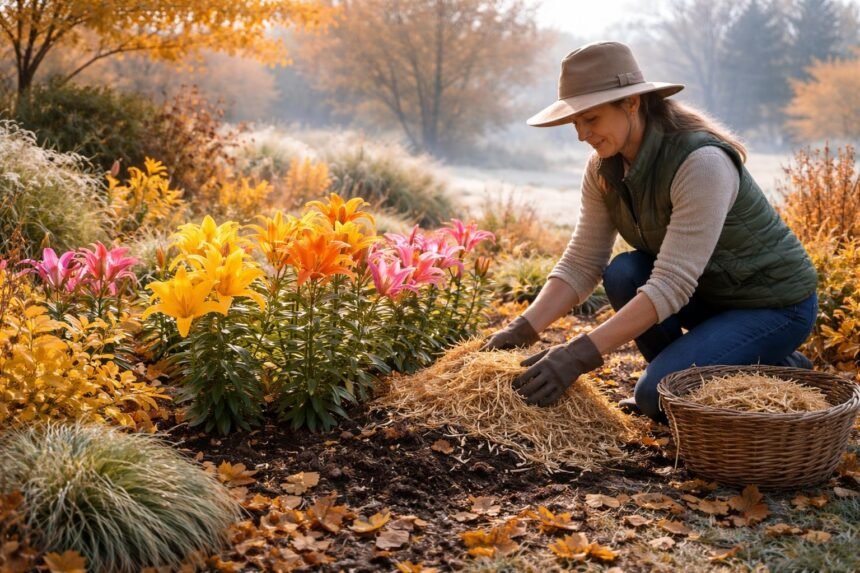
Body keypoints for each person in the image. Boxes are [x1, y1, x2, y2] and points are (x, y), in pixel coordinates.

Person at [481, 41, 818, 422]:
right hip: (708, 296)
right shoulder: (603, 169)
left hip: (771, 306)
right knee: (624, 271)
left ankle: (771, 361)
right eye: (575, 123)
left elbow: (671, 284)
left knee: (654, 398)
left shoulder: (701, 162)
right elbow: (582, 261)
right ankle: (699, 367)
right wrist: (521, 328)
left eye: (590, 118)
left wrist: (577, 355)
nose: (581, 134)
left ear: (631, 103)